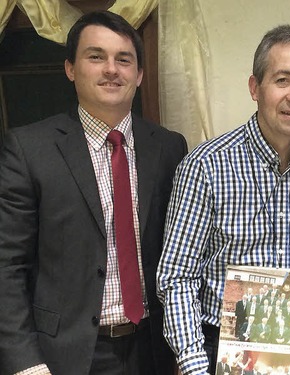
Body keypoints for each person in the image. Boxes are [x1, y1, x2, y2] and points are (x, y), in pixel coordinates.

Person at [0, 10, 187, 375]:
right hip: (66, 356)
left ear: (140, 74)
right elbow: (7, 266)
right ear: (71, 68)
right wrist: (25, 363)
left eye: (124, 59)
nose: (111, 69)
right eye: (96, 56)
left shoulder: (168, 147)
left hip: (154, 349)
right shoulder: (29, 149)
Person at [157, 24, 290, 374]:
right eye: (283, 80)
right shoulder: (205, 166)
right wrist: (194, 363)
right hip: (221, 348)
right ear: (256, 88)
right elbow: (177, 277)